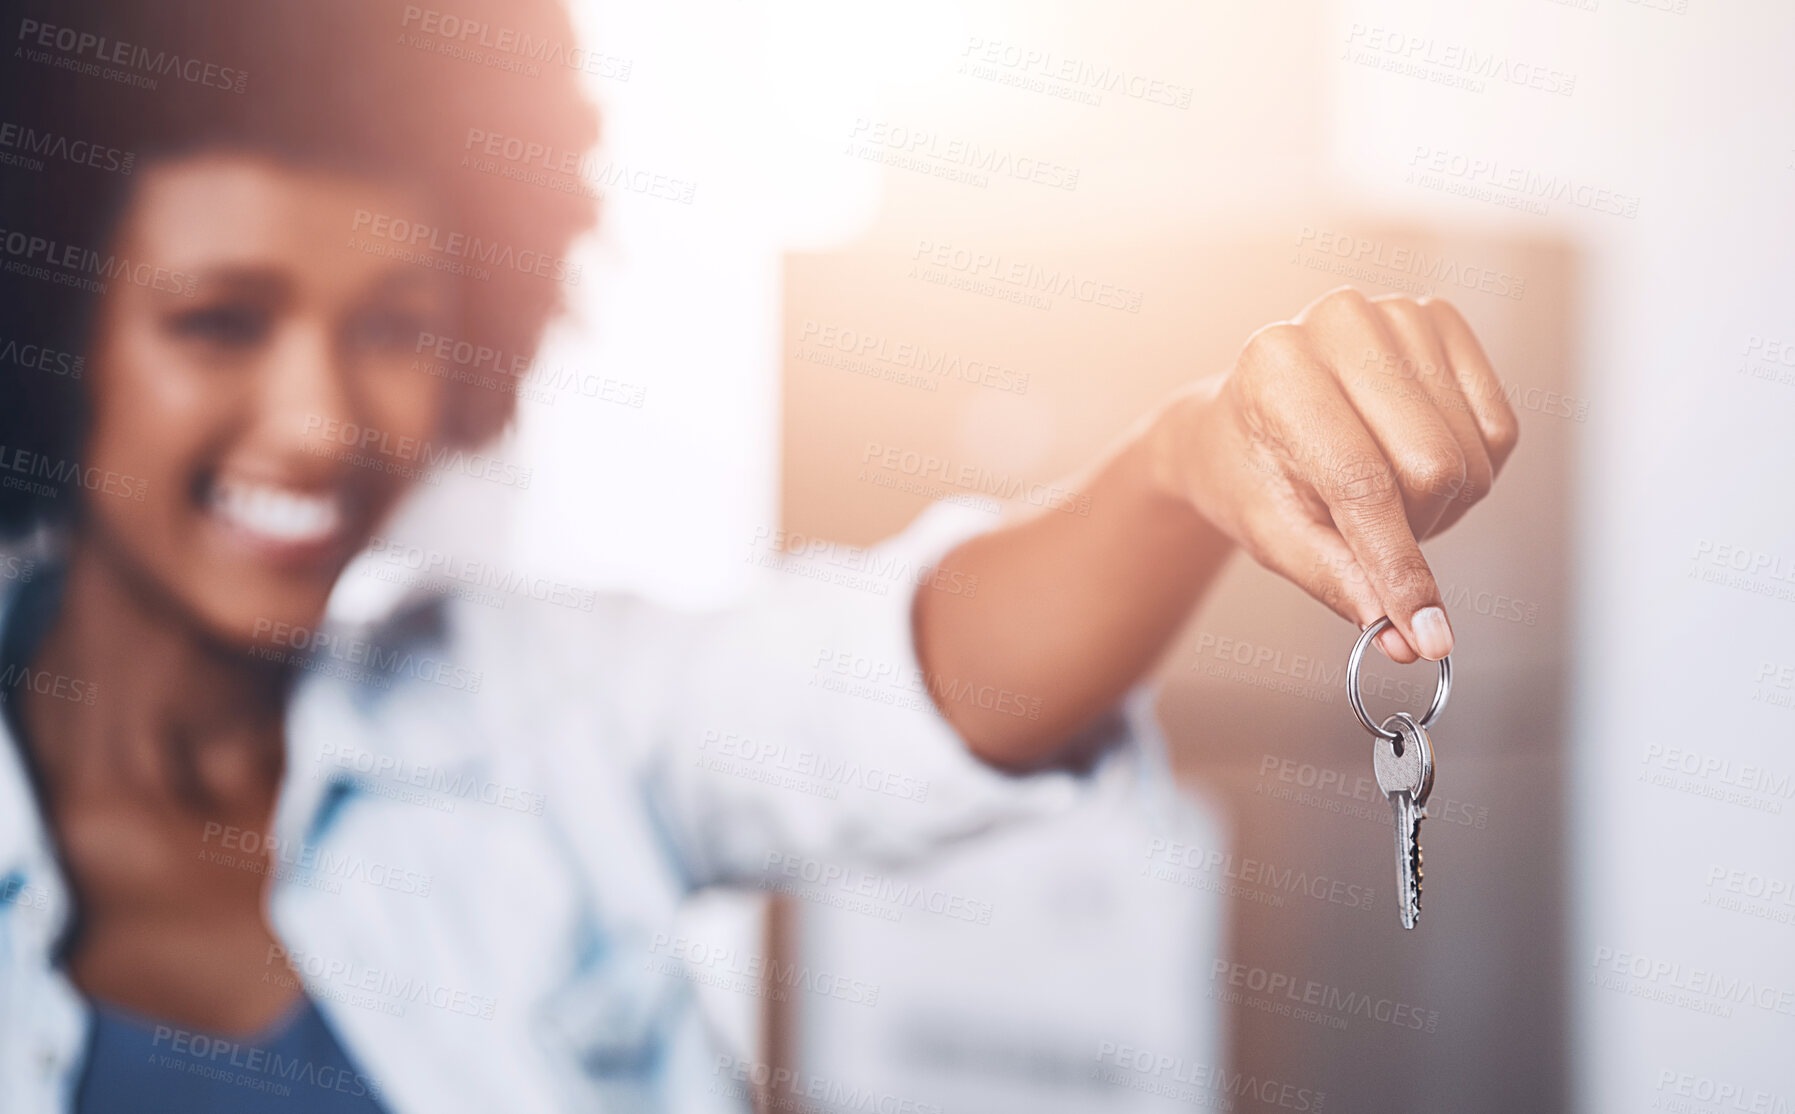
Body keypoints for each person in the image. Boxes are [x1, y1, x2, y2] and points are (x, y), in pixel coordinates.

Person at [0, 0, 1517, 1111]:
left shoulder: (526, 705)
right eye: (219, 321)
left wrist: (1188, 458)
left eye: (392, 325)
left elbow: (899, 681)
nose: (321, 418)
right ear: (59, 325)